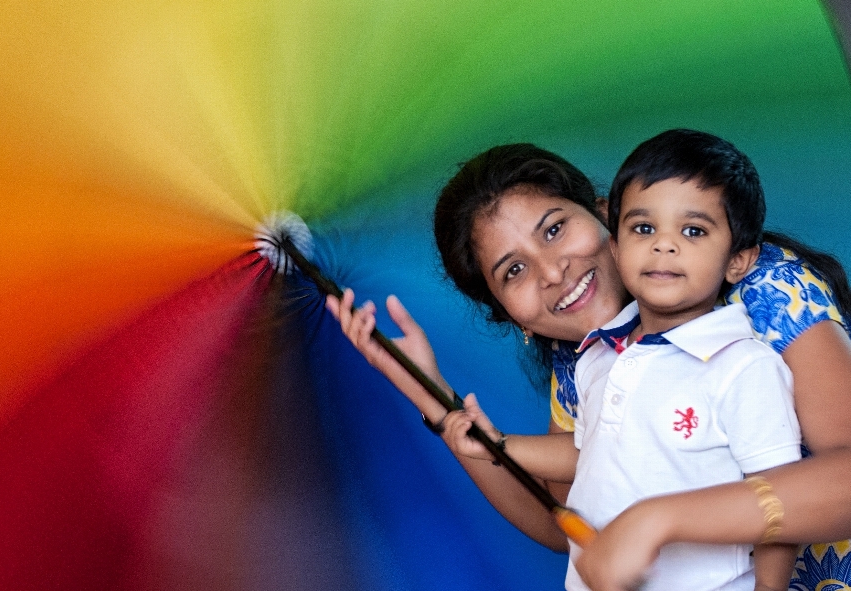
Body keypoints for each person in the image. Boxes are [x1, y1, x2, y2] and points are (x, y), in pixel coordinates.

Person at [325, 132, 851, 590]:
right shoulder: (585, 364)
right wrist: (431, 395)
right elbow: (564, 524)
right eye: (513, 271)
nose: (552, 272)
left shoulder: (759, 288)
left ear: (606, 215)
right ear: (514, 318)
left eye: (553, 229)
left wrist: (659, 521)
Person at [443, 128, 802, 590]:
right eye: (645, 229)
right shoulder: (597, 358)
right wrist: (497, 444)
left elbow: (781, 504)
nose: (664, 246)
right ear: (620, 241)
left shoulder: (745, 365)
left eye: (692, 231)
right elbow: (586, 450)